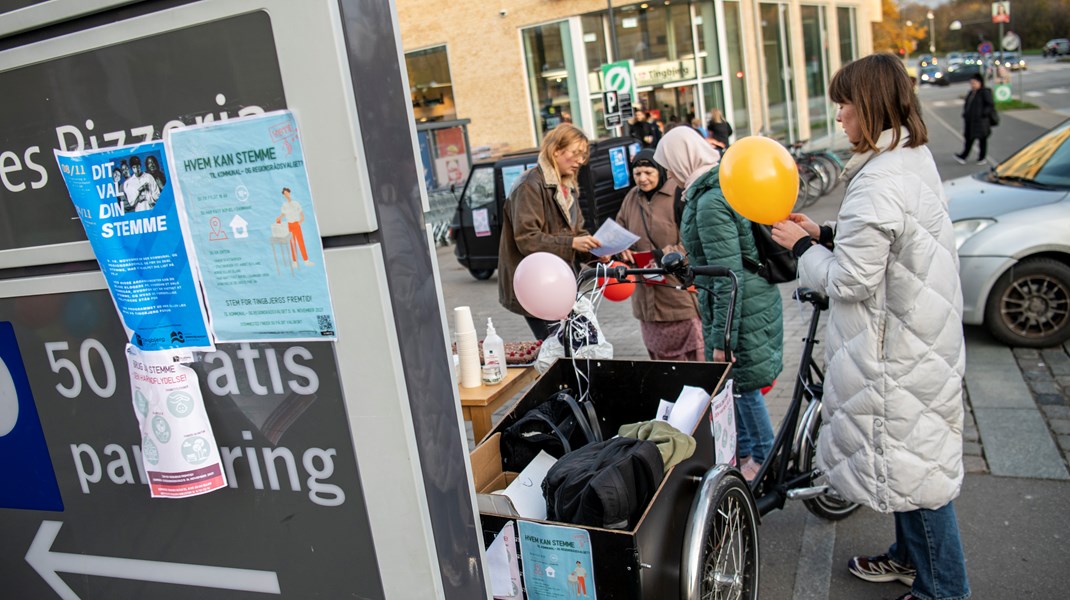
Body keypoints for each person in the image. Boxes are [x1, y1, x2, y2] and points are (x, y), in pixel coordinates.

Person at [770, 53, 969, 600]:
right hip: (918, 337)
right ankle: (910, 559)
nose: (839, 117)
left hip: (896, 351)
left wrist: (805, 246)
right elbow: (894, 239)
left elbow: (853, 281)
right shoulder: (910, 156)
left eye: (845, 105)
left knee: (920, 479)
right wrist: (832, 230)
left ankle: (943, 591)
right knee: (909, 464)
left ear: (871, 107)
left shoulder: (879, 179)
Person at [654, 127, 782, 482]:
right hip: (745, 303)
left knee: (743, 387)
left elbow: (729, 277)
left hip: (741, 308)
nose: (671, 175)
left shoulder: (709, 201)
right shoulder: (712, 190)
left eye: (671, 166)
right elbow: (718, 264)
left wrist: (720, 341)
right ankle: (750, 455)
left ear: (684, 158)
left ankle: (765, 462)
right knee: (740, 387)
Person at [498, 123, 604, 340]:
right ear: (556, 150)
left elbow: (577, 232)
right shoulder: (529, 184)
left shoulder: (568, 186)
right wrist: (572, 244)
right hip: (537, 286)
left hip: (559, 283)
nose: (580, 161)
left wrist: (595, 250)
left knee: (574, 348)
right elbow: (527, 239)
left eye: (583, 156)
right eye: (575, 153)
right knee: (559, 352)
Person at [614, 149, 705, 362]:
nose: (642, 179)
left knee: (694, 359)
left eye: (648, 172)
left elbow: (692, 242)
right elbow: (619, 231)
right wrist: (620, 249)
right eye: (637, 174)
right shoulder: (630, 198)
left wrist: (662, 256)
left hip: (678, 294)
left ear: (660, 171)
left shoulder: (678, 195)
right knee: (661, 364)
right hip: (646, 299)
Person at [954, 73, 995, 165]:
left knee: (982, 140)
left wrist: (983, 114)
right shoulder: (971, 93)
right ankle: (964, 156)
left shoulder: (984, 92)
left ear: (980, 83)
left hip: (981, 121)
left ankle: (982, 157)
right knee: (969, 139)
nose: (972, 85)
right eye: (971, 83)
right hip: (970, 121)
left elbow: (990, 105)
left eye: (974, 83)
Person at [277, 187, 313, 267]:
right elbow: (283, 214)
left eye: (287, 193)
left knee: (301, 242)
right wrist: (279, 218)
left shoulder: (296, 203)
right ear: (283, 195)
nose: (286, 195)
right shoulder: (284, 205)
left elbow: (302, 215)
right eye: (284, 194)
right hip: (289, 225)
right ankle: (294, 262)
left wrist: (299, 222)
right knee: (292, 243)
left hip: (296, 224)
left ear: (289, 193)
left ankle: (306, 261)